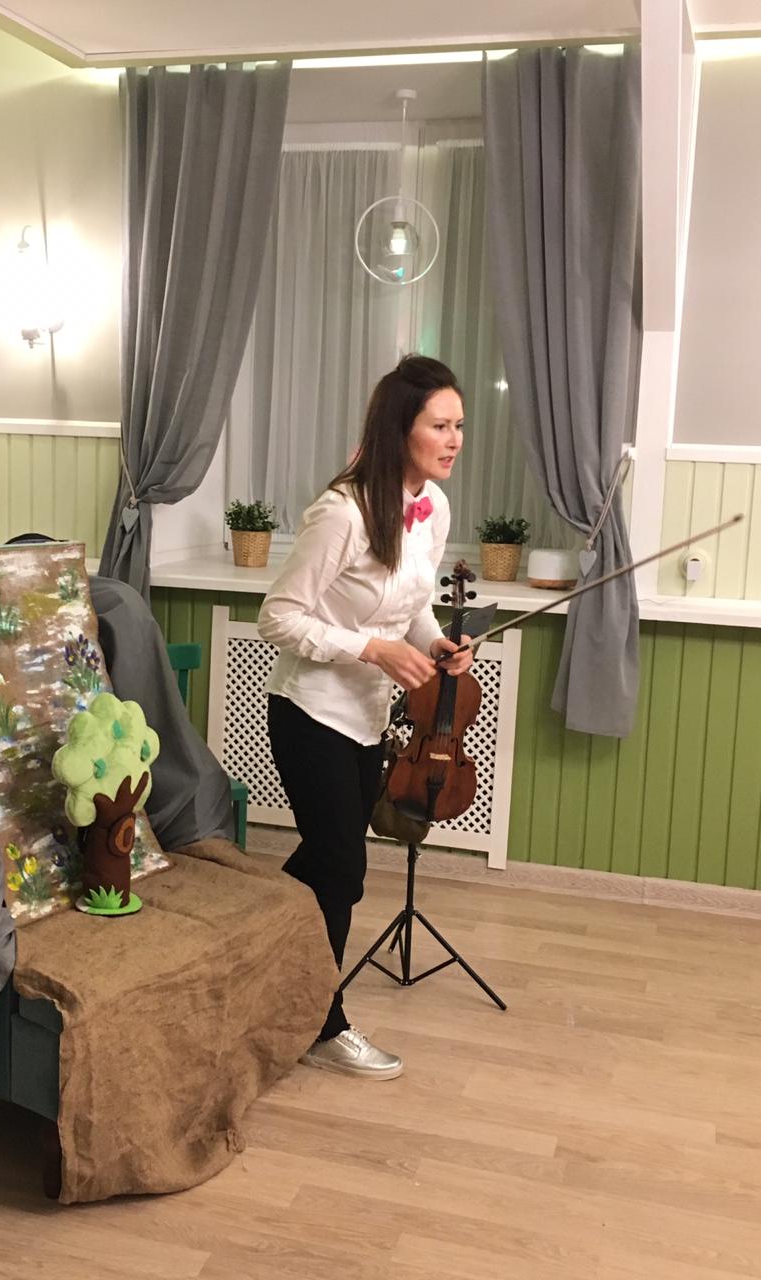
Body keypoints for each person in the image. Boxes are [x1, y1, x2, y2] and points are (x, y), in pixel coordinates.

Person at [258, 355, 473, 1080]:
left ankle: (259, 949)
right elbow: (278, 617)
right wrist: (372, 649)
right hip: (309, 710)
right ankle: (324, 1024)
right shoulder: (342, 513)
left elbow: (412, 607)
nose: (454, 440)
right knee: (343, 867)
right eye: (440, 426)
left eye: (459, 426)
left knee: (330, 866)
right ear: (400, 429)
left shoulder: (432, 508)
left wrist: (435, 643)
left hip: (367, 717)